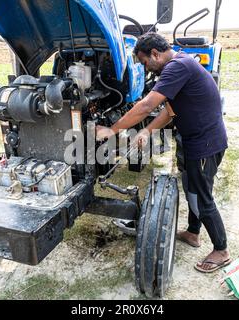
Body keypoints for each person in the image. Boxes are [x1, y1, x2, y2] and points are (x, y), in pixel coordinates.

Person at [96, 32, 231, 273]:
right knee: (190, 186)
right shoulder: (181, 64)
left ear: (155, 54)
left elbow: (147, 105)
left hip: (205, 144)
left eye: (145, 62)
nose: (146, 69)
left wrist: (112, 130)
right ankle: (192, 232)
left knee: (200, 195)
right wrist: (147, 130)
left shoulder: (177, 67)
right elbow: (169, 111)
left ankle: (221, 250)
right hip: (194, 141)